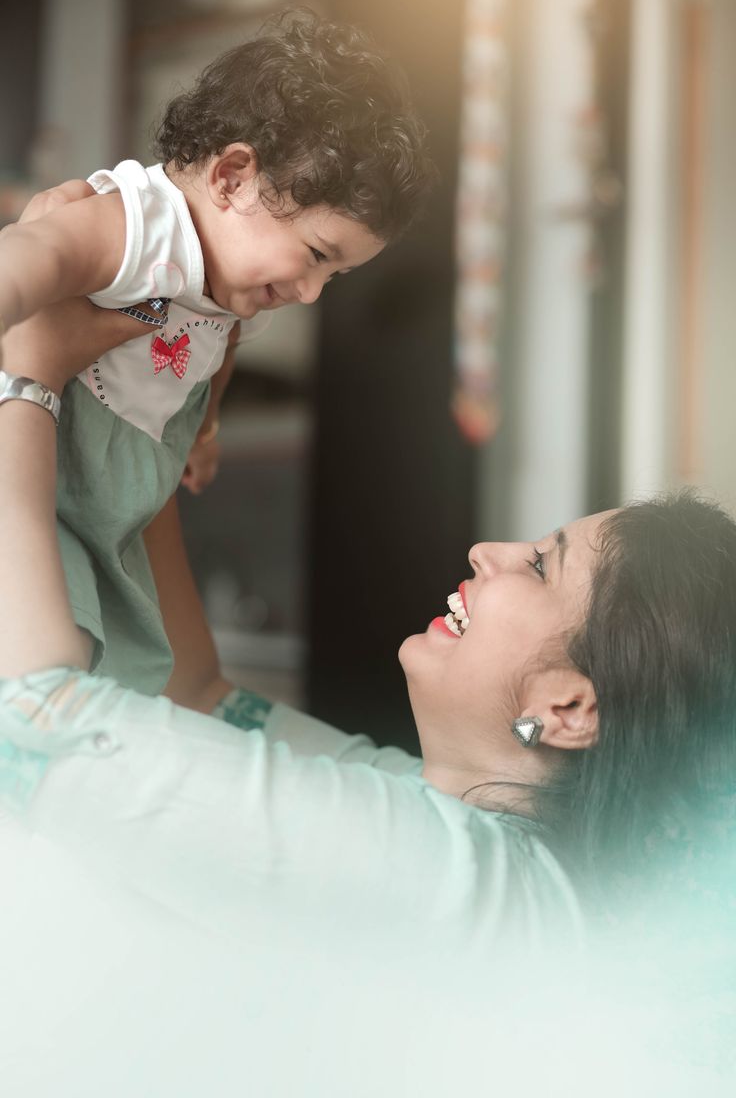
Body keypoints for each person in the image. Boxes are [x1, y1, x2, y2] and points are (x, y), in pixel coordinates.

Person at [2, 296, 736, 1092]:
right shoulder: (452, 822)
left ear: (570, 709)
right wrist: (165, 423)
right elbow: (199, 693)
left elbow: (34, 715)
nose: (488, 551)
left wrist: (28, 374)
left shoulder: (463, 889)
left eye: (538, 566)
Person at [0, 7, 433, 709]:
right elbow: (35, 254)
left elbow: (219, 343)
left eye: (336, 277)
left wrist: (204, 427)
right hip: (53, 479)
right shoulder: (139, 225)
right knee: (58, 673)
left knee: (139, 665)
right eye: (317, 256)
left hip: (123, 493)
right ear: (233, 178)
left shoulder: (227, 278)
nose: (312, 292)